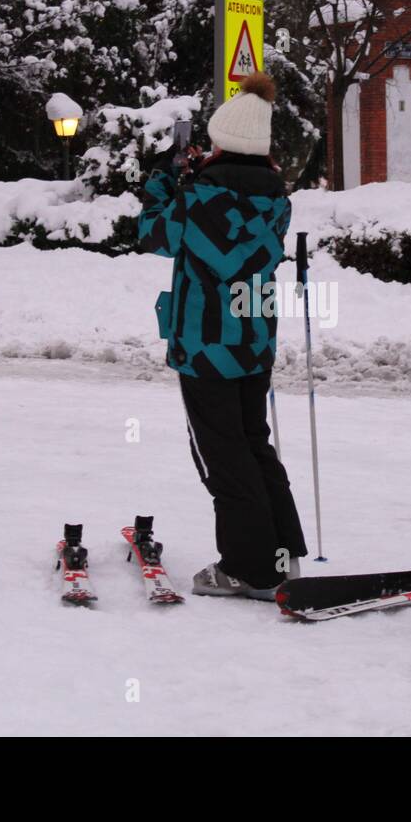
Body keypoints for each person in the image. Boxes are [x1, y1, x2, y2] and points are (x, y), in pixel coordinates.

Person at [138, 72, 307, 599]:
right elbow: (229, 224)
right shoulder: (276, 199)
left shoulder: (196, 196)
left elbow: (152, 235)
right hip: (253, 340)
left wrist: (165, 179)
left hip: (205, 345)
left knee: (222, 456)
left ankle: (248, 569)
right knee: (254, 443)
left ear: (220, 141)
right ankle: (282, 555)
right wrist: (193, 182)